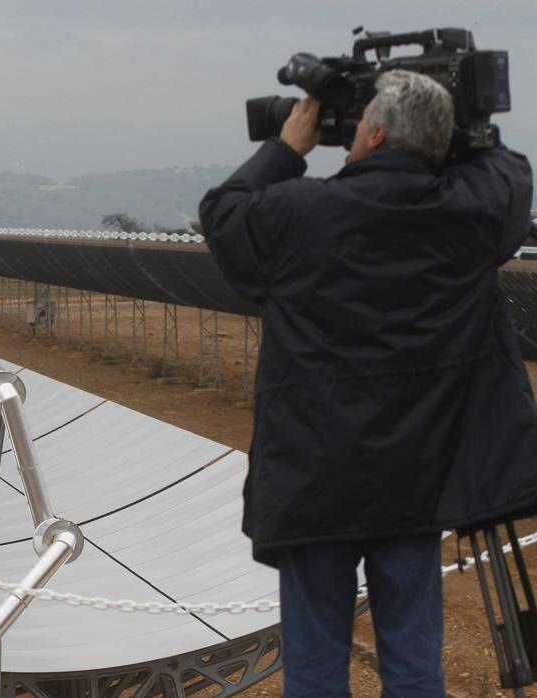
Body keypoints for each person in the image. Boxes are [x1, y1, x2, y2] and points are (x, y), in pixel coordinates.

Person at [199, 70, 537, 696]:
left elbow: (221, 215)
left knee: (315, 668)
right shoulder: (468, 216)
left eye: (358, 124)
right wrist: (454, 131)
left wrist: (286, 147)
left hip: (311, 484)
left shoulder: (294, 214)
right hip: (415, 483)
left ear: (375, 133)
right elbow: (512, 175)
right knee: (413, 666)